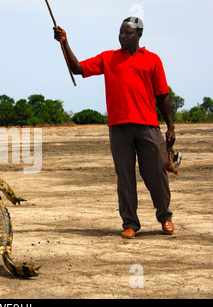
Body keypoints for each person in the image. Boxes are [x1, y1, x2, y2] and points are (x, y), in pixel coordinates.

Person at [54, 17, 175, 238]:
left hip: (148, 126)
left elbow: (162, 95)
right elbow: (78, 68)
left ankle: (165, 217)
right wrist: (64, 42)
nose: (122, 36)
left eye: (127, 33)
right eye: (120, 32)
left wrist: (170, 126)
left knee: (157, 173)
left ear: (139, 34)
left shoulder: (152, 60)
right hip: (119, 128)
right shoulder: (108, 58)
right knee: (125, 177)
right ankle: (130, 223)